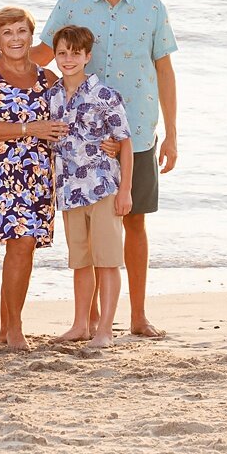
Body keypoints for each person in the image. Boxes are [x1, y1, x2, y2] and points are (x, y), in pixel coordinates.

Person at [35, 0, 177, 338]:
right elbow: (44, 55)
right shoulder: (72, 4)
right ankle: (91, 320)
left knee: (132, 222)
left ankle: (136, 315)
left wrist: (172, 133)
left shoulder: (152, 7)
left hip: (137, 133)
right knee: (86, 225)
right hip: (84, 145)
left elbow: (164, 70)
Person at [0, 6, 66, 351]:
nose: (15, 39)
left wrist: (112, 142)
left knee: (23, 248)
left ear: (32, 35)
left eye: (22, 31)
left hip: (37, 172)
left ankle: (7, 328)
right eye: (7, 33)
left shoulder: (48, 79)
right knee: (19, 246)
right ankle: (15, 328)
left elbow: (72, 121)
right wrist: (31, 128)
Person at [45, 24, 133, 349]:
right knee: (80, 262)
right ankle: (80, 325)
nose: (68, 59)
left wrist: (125, 192)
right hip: (68, 191)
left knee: (107, 261)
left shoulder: (104, 95)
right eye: (62, 53)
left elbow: (124, 143)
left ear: (87, 56)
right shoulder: (52, 96)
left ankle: (105, 331)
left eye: (75, 53)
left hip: (104, 188)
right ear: (55, 55)